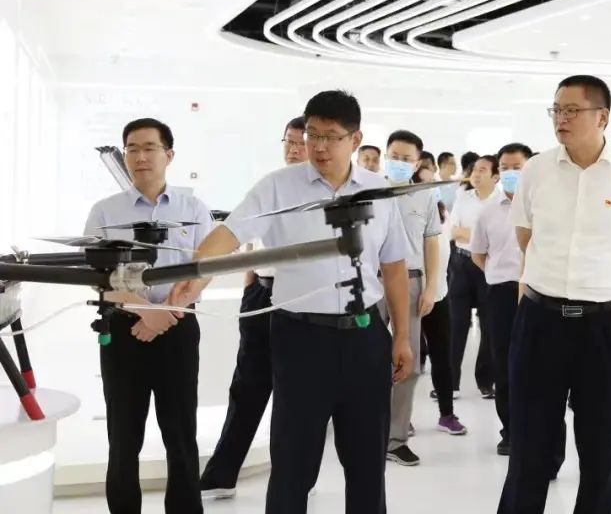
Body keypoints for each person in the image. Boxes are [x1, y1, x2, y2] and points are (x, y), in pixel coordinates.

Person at [181, 90, 412, 514]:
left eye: (331, 136)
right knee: (292, 462)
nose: (319, 146)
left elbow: (394, 266)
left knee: (366, 462)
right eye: (312, 135)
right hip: (300, 338)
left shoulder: (379, 191)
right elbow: (228, 234)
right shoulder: (278, 187)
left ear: (355, 139)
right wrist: (192, 274)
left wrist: (402, 337)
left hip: (365, 337)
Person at [498, 74, 611, 514]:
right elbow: (526, 236)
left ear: (602, 117)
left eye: (572, 110)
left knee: (601, 447)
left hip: (607, 323)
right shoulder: (536, 169)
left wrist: (606, 287)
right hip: (541, 318)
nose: (561, 119)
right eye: (556, 110)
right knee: (529, 442)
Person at [84, 117, 215, 514]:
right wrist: (144, 311)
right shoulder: (105, 211)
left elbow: (206, 267)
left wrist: (168, 312)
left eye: (148, 148)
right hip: (123, 331)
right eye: (132, 149)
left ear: (168, 155)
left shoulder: (193, 208)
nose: (139, 157)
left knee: (181, 434)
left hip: (179, 327)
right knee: (124, 437)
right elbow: (95, 276)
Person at [200, 115, 307, 500]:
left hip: (299, 298)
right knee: (247, 384)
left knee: (295, 394)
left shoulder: (321, 194)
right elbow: (249, 239)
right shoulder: (270, 186)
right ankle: (221, 474)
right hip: (261, 294)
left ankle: (297, 476)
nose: (293, 149)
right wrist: (249, 286)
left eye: (301, 142)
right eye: (288, 141)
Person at [382, 130, 454, 466]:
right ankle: (365, 431)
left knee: (406, 362)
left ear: (416, 163)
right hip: (371, 282)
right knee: (363, 358)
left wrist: (430, 288)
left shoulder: (425, 196)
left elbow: (431, 243)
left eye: (406, 159)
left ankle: (395, 439)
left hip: (410, 282)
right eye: (394, 156)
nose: (399, 162)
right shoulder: (368, 193)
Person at [471, 142, 533, 455]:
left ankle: (535, 429)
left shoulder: (541, 205)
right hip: (500, 293)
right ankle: (510, 430)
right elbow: (478, 254)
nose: (510, 173)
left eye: (516, 168)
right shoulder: (487, 211)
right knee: (504, 362)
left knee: (536, 363)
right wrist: (498, 274)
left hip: (537, 291)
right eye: (505, 168)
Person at [412, 155, 469, 435]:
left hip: (438, 294)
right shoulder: (406, 212)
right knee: (406, 360)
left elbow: (445, 249)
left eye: (431, 184)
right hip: (408, 295)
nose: (429, 189)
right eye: (423, 184)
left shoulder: (442, 213)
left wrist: (433, 289)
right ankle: (400, 419)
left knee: (442, 356)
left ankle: (447, 414)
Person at [449, 154, 498, 399]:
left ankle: (486, 381)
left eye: (482, 170)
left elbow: (498, 237)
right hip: (461, 263)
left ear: (495, 176)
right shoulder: (463, 197)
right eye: (474, 170)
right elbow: (452, 231)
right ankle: (450, 383)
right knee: (455, 324)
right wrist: (479, 236)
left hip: (488, 266)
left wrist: (468, 233)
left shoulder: (501, 202)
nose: (476, 174)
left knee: (489, 325)